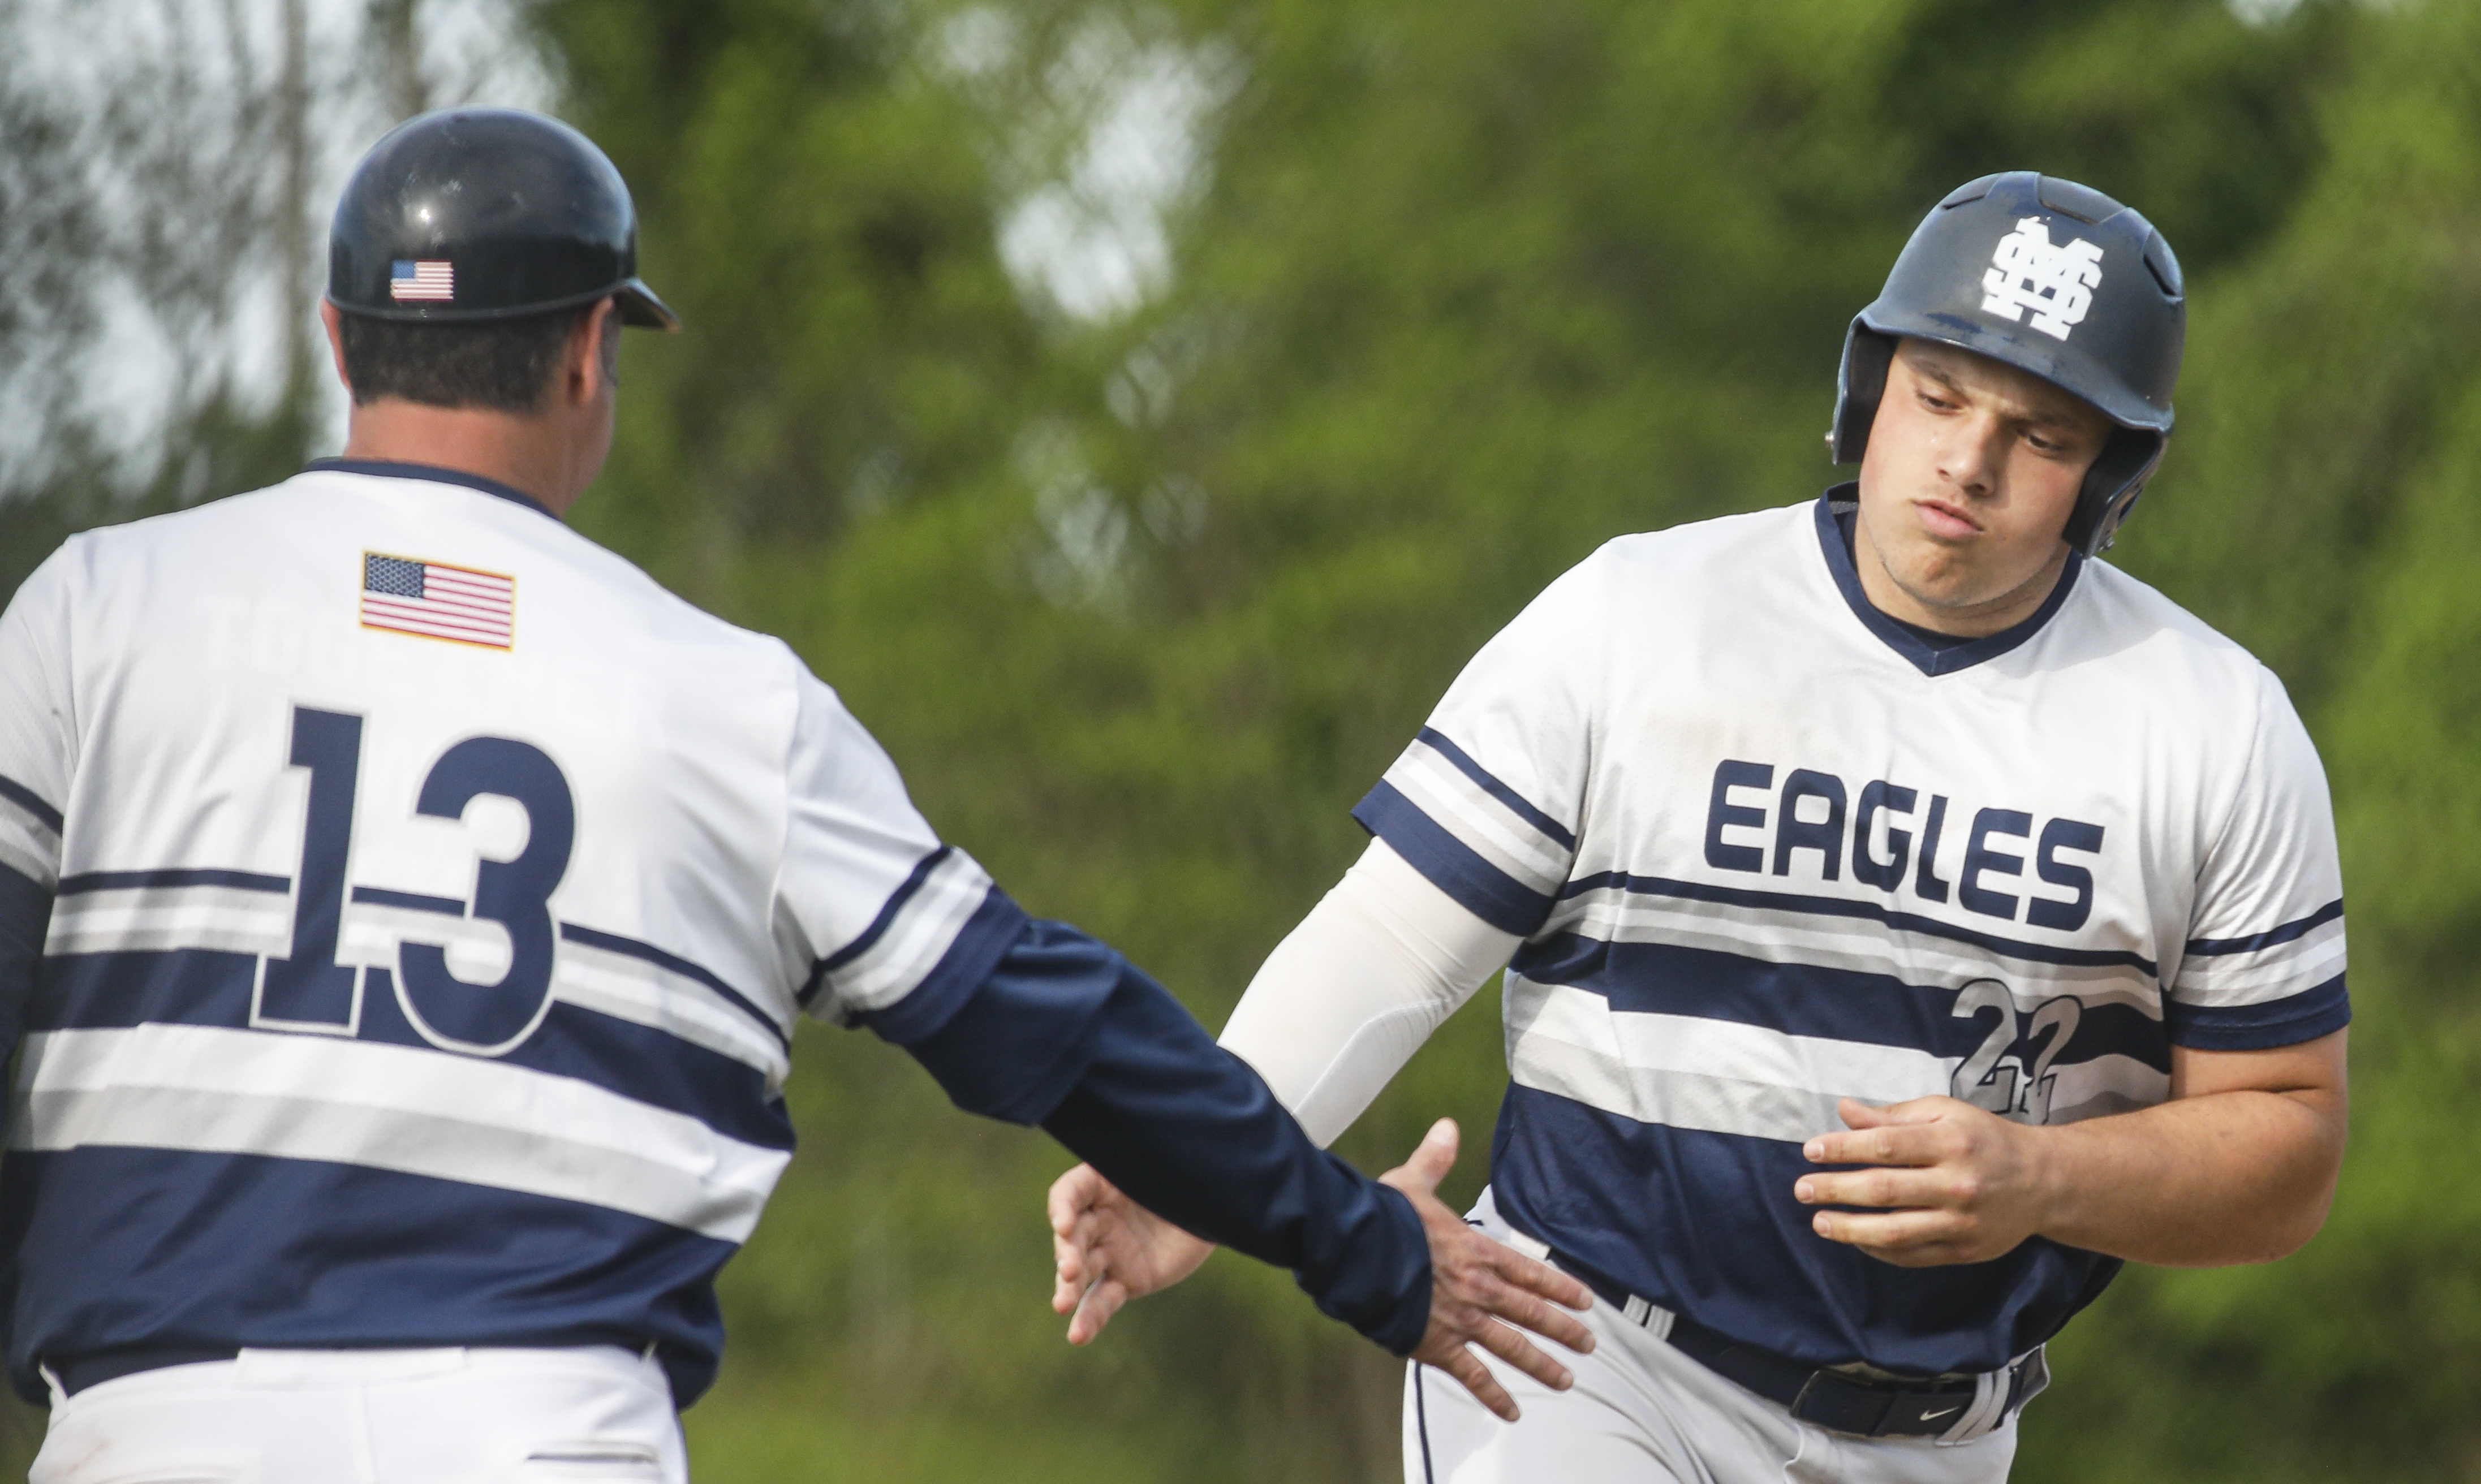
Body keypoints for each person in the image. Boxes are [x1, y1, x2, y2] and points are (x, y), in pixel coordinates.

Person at [0, 107, 1594, 1483]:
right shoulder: (722, 697)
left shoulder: (98, 609)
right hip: (543, 1430)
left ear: (341, 341)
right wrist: (1365, 1251)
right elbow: (1063, 1028)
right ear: (583, 354)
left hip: (155, 1425)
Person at [1048, 171, 2350, 1482]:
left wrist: (2041, 1177)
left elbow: (2287, 1142)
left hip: (1943, 1433)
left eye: (2044, 433)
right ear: (1870, 384)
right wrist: (1201, 1163)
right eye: (1938, 395)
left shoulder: (2213, 725)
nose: (1969, 459)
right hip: (1578, 1350)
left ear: (2109, 474)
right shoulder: (1642, 613)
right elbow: (1393, 940)